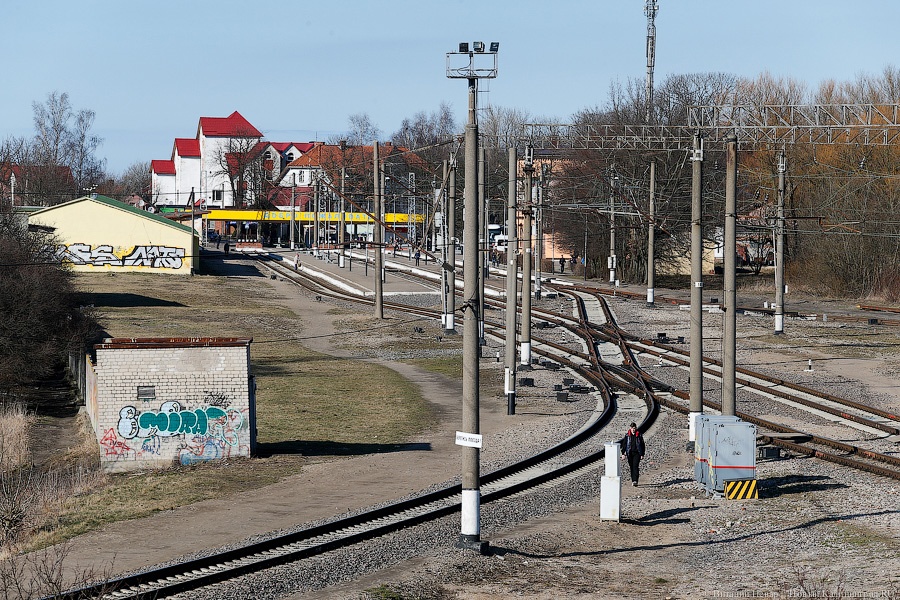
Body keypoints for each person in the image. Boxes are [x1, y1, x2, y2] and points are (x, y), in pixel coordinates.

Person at [621, 422, 646, 486]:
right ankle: (633, 480)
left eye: (634, 428)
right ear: (630, 428)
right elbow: (624, 445)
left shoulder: (639, 435)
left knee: (635, 466)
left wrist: (642, 454)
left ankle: (635, 480)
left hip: (637, 453)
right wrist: (623, 453)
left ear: (636, 428)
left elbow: (642, 445)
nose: (633, 429)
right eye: (632, 428)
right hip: (629, 453)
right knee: (631, 467)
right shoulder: (627, 435)